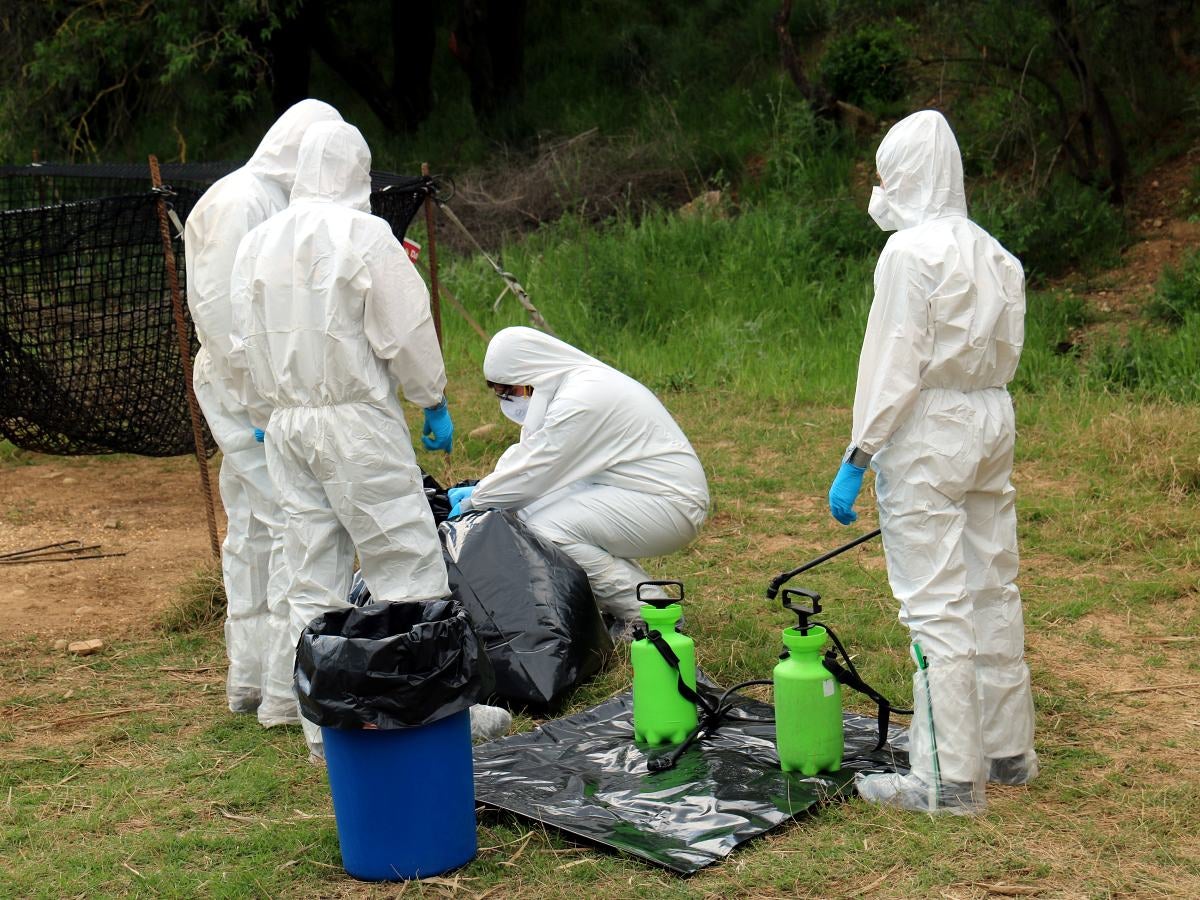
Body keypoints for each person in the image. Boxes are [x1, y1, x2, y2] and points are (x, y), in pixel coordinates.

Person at [229, 120, 508, 758]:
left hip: (286, 427)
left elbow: (237, 339)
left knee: (310, 573)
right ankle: (428, 718)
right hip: (353, 422)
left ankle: (323, 728)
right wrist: (431, 398)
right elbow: (404, 329)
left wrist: (258, 405)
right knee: (405, 562)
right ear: (359, 171)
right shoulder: (365, 234)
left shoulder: (259, 242)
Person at [828, 110, 1038, 814]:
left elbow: (893, 363)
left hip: (929, 428)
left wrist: (860, 450)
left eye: (888, 176)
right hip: (991, 416)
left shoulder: (909, 255)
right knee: (991, 584)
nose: (881, 189)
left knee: (934, 602)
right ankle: (1008, 752)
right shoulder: (995, 253)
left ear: (908, 175)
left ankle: (945, 780)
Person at [184, 98, 343, 725]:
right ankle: (281, 692)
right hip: (246, 390)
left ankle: (254, 682)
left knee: (255, 526)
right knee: (282, 523)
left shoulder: (269, 198)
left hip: (254, 388)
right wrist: (259, 397)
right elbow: (221, 311)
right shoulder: (242, 200)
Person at [448, 327, 709, 635]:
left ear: (530, 373)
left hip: (671, 503)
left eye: (512, 390)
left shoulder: (581, 398)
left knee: (548, 531)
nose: (509, 400)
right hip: (637, 491)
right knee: (531, 513)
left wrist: (476, 500)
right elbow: (528, 459)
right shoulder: (566, 386)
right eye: (501, 394)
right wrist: (485, 491)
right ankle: (635, 597)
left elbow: (535, 472)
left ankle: (651, 615)